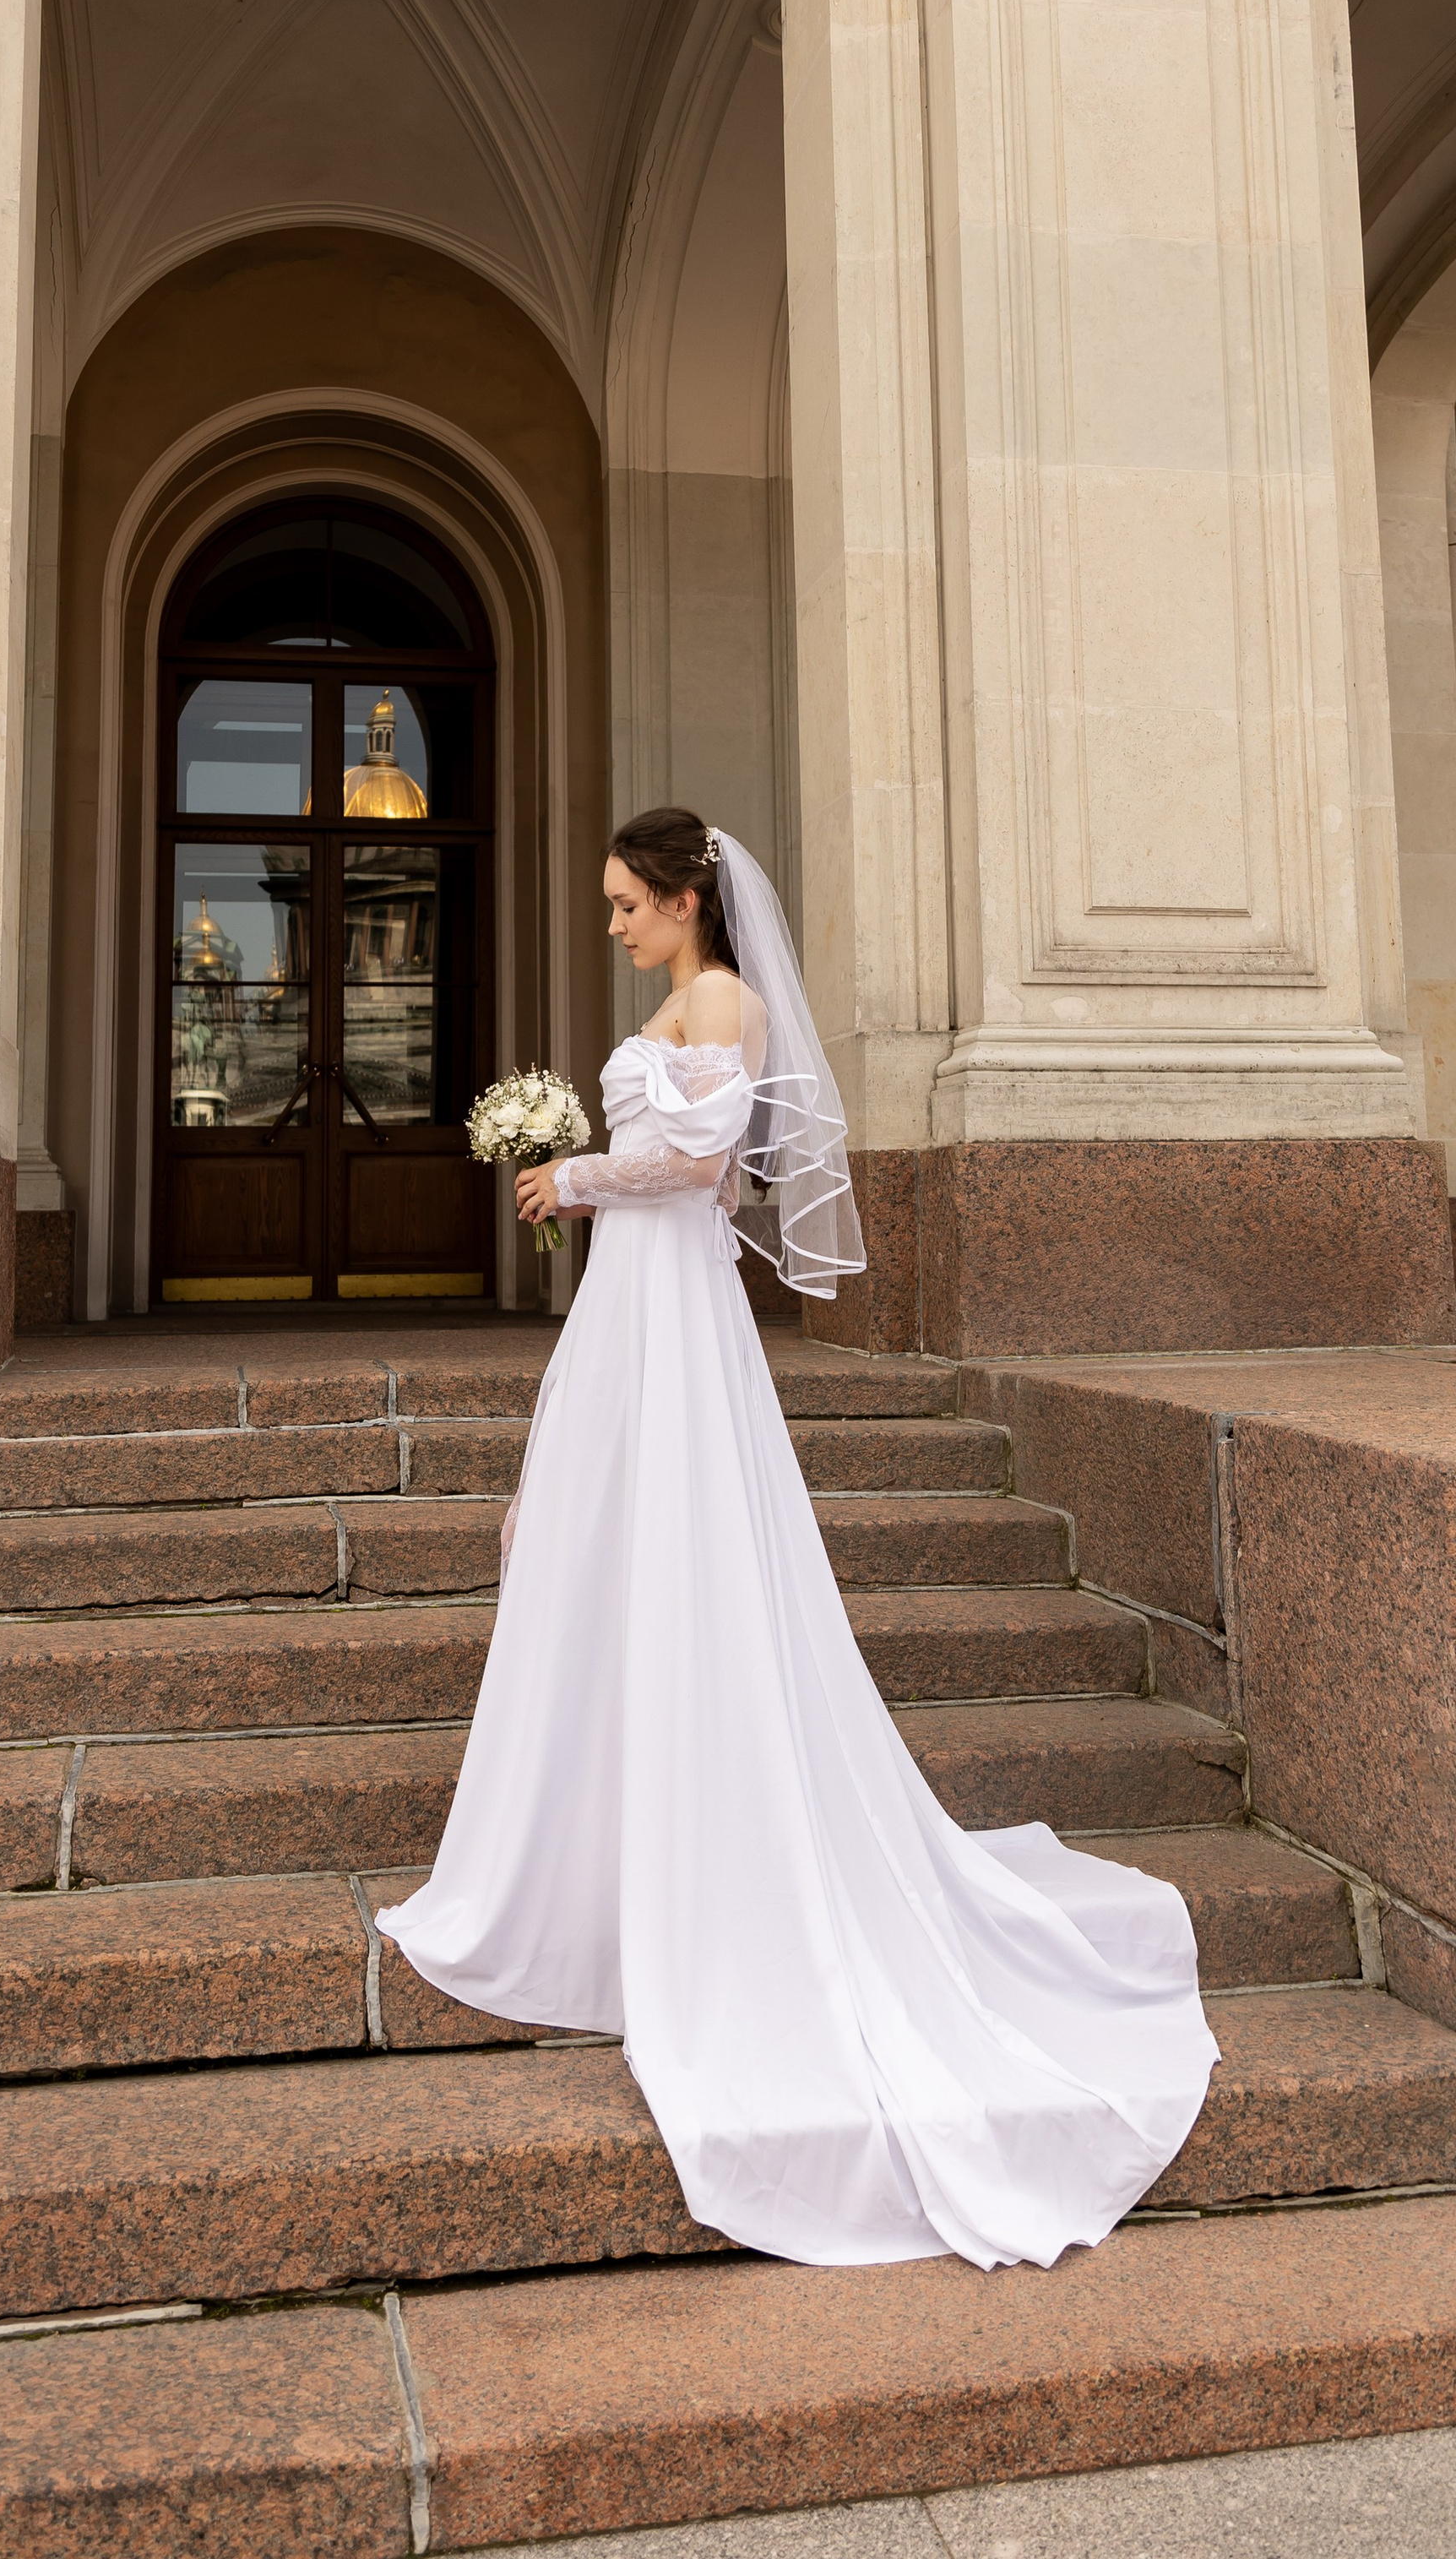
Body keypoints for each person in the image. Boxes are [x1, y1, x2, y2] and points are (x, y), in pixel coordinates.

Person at [374, 809, 1218, 2268]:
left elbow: (705, 1164)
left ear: (687, 898)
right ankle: (589, 1860)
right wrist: (590, 1172)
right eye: (611, 905)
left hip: (671, 1301)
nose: (616, 925)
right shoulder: (684, 1001)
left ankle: (702, 1864)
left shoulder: (726, 1002)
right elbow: (690, 1160)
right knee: (589, 1544)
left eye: (629, 903)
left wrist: (572, 1175)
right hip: (632, 1304)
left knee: (679, 1547)